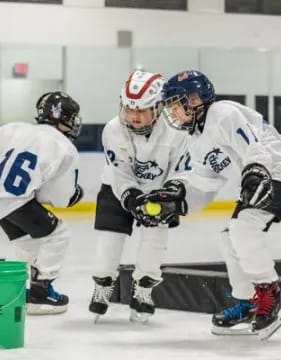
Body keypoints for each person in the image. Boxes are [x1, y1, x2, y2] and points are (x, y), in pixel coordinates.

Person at [154, 70, 281, 340]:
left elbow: (254, 147)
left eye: (176, 105)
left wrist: (256, 171)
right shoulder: (195, 137)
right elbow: (205, 181)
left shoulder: (222, 113)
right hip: (257, 177)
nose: (172, 113)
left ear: (195, 99)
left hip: (277, 175)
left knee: (243, 228)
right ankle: (248, 303)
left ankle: (272, 297)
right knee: (229, 237)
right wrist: (178, 195)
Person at [88, 70, 188, 323]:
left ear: (158, 106)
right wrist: (131, 197)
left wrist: (170, 196)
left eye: (142, 109)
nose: (134, 116)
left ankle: (143, 290)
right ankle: (103, 283)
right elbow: (120, 172)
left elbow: (181, 170)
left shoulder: (177, 132)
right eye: (129, 109)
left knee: (155, 240)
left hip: (159, 189)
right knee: (109, 240)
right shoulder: (112, 130)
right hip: (116, 187)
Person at [0, 91, 83, 314]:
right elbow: (59, 199)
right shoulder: (63, 146)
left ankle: (18, 289)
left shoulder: (12, 128)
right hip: (16, 200)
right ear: (64, 118)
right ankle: (40, 290)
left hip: (5, 201)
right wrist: (75, 194)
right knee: (59, 234)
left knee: (27, 241)